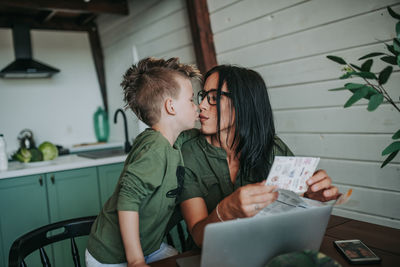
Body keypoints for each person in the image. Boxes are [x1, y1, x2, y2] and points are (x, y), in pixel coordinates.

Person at [178, 65, 340, 247]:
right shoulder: (189, 153)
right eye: (203, 96)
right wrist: (224, 211)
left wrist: (312, 197)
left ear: (243, 103)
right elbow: (198, 238)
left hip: (264, 248)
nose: (202, 105)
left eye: (214, 98)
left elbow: (294, 209)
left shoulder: (273, 148)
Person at [86, 57, 201, 267]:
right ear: (171, 107)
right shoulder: (154, 149)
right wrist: (136, 260)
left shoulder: (170, 139)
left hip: (150, 246)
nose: (198, 106)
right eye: (191, 100)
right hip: (112, 256)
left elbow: (199, 136)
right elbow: (128, 197)